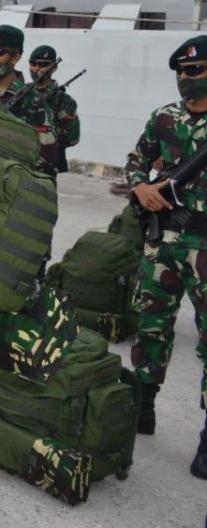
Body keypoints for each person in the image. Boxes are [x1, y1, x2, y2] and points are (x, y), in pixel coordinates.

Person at [125, 34, 207, 479]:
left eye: (194, 71)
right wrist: (141, 186)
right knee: (151, 325)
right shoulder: (165, 117)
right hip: (163, 242)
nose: (184, 78)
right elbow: (138, 159)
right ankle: (144, 404)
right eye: (180, 71)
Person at [12, 45, 80, 176]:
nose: (36, 68)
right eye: (33, 63)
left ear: (54, 67)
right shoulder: (18, 94)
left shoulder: (63, 101)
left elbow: (72, 138)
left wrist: (46, 132)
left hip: (44, 166)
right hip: (15, 159)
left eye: (42, 65)